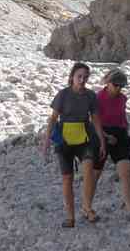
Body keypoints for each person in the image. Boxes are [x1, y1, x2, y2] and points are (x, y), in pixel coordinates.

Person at [42, 61, 107, 228]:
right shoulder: (62, 95)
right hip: (64, 139)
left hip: (85, 137)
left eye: (85, 77)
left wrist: (102, 141)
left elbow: (96, 120)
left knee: (88, 169)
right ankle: (70, 217)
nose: (82, 80)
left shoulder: (91, 96)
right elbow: (53, 119)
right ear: (72, 77)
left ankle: (87, 208)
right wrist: (46, 142)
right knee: (67, 178)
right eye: (79, 76)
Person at [92, 68, 130, 220]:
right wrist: (105, 137)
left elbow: (122, 118)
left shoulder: (122, 99)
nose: (119, 88)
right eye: (116, 85)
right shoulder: (98, 98)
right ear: (108, 83)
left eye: (122, 86)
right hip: (101, 135)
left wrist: (125, 134)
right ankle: (87, 207)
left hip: (119, 136)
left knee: (126, 173)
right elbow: (93, 121)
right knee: (95, 174)